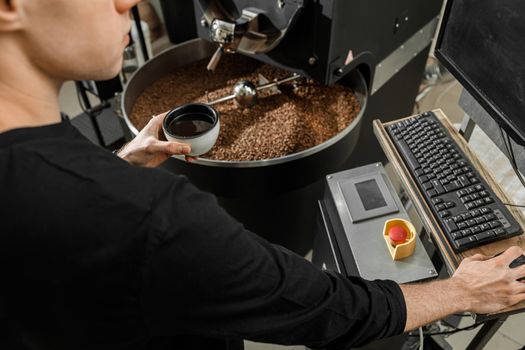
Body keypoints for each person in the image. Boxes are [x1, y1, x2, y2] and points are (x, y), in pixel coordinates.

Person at [0, 1, 524, 349]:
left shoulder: (52, 166)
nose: (129, 2)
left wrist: (114, 166)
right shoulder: (149, 216)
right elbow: (323, 306)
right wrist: (461, 294)